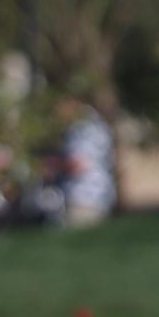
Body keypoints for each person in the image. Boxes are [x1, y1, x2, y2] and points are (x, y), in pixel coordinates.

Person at [57, 97, 116, 227]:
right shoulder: (95, 122)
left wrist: (52, 165)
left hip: (83, 198)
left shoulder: (83, 127)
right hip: (98, 197)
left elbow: (78, 164)